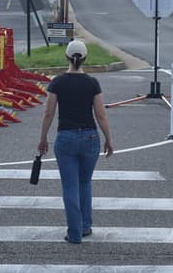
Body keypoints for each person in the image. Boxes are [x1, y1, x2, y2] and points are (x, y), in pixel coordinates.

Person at [36, 39, 114, 244]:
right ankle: (86, 225)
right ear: (86, 58)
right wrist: (108, 139)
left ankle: (74, 232)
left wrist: (43, 137)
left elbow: (48, 113)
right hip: (90, 137)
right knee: (85, 182)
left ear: (67, 57)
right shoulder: (92, 83)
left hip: (66, 137)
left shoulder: (58, 82)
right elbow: (101, 115)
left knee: (70, 186)